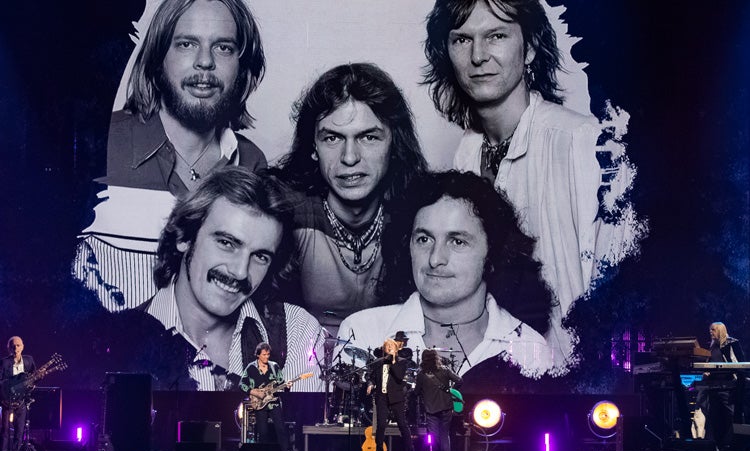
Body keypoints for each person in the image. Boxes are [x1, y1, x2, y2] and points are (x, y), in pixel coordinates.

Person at [422, 0, 638, 374]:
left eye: (497, 36)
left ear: (531, 48)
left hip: (572, 383)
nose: (478, 56)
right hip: (492, 383)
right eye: (462, 40)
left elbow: (616, 284)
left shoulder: (581, 141)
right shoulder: (467, 151)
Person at [73, 0, 268, 311]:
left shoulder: (251, 163)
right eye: (187, 44)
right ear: (157, 58)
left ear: (242, 68)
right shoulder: (95, 145)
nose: (205, 62)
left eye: (224, 48)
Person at [99, 167, 323, 392]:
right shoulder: (118, 344)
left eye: (260, 256)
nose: (240, 272)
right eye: (227, 243)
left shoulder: (296, 335)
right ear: (185, 237)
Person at [339, 171, 554, 379]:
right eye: (424, 239)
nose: (435, 259)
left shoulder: (529, 348)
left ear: (493, 254)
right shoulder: (361, 333)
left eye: (457, 241)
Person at [273, 62, 428, 338]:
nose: (349, 157)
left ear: (394, 144)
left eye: (368, 137)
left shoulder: (418, 213)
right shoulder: (285, 210)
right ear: (313, 147)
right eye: (333, 138)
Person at [239, 342, 294, 451]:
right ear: (258, 355)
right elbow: (241, 384)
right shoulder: (251, 368)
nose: (266, 357)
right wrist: (254, 392)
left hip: (274, 403)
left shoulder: (274, 367)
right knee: (263, 432)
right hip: (259, 404)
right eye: (264, 355)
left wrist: (287, 386)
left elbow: (281, 384)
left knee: (281, 431)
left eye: (268, 354)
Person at [696, 322, 746, 450]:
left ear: (720, 330)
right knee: (715, 416)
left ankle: (733, 443)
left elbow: (740, 364)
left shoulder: (732, 343)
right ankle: (718, 444)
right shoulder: (712, 347)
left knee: (731, 414)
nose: (710, 332)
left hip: (729, 387)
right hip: (713, 387)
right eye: (710, 330)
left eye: (713, 330)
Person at [366, 338, 414, 451]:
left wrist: (392, 361)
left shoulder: (402, 362)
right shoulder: (378, 362)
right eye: (387, 346)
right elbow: (371, 377)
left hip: (397, 398)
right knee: (381, 425)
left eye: (391, 346)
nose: (389, 348)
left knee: (402, 425)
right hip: (382, 397)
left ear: (396, 349)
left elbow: (398, 376)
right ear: (384, 349)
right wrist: (370, 384)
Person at [415, 349, 463, 451]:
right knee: (445, 435)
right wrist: (450, 390)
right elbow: (460, 380)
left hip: (431, 409)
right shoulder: (445, 370)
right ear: (436, 358)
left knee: (434, 436)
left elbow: (416, 392)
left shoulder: (421, 375)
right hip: (446, 407)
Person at [0, 337, 36, 451]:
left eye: (18, 345)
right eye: (13, 346)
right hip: (7, 403)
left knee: (19, 432)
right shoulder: (4, 363)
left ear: (23, 346)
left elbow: (34, 376)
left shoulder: (29, 360)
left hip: (21, 403)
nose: (16, 348)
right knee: (4, 432)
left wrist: (32, 384)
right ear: (9, 348)